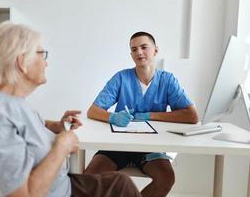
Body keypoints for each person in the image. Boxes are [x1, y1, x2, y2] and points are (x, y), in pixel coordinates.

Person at [0, 22, 142, 197]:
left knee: (120, 183)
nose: (46, 63)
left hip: (58, 186)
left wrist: (57, 126)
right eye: (41, 54)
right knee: (121, 187)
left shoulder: (10, 100)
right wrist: (62, 147)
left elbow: (26, 126)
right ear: (22, 62)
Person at [84, 32, 199, 197]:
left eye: (144, 47)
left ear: (155, 50)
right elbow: (93, 110)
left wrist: (150, 115)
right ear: (131, 55)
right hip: (118, 145)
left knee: (166, 177)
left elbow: (192, 116)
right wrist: (112, 117)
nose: (139, 52)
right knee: (89, 177)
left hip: (149, 148)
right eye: (134, 49)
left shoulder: (167, 80)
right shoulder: (121, 78)